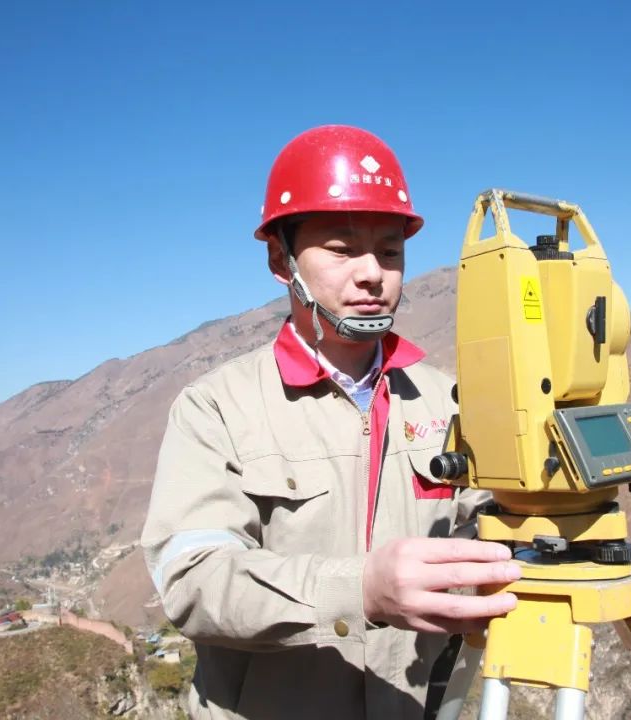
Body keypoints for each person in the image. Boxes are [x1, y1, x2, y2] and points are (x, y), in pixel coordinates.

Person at [141, 125, 521, 720]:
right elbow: (193, 581)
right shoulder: (215, 407)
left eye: (390, 252)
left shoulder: (448, 400)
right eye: (342, 250)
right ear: (281, 260)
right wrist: (357, 590)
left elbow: (489, 529)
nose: (373, 273)